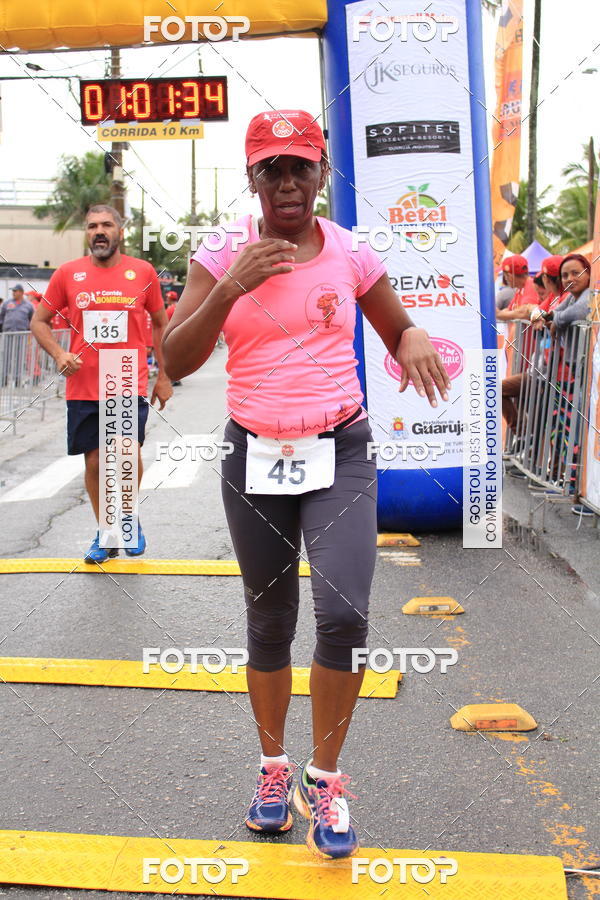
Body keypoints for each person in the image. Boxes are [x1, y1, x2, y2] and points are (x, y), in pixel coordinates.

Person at [162, 109, 450, 859]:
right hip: (254, 455)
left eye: (301, 168)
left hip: (339, 450)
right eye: (272, 169)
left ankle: (323, 777)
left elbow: (397, 331)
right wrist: (229, 287)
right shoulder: (221, 251)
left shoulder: (351, 252)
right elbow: (176, 357)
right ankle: (271, 770)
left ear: (322, 173)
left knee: (347, 614)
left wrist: (413, 333)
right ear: (252, 177)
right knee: (270, 621)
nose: (288, 183)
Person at [31, 205, 173, 562]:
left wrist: (165, 375)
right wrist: (60, 356)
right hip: (83, 383)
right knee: (94, 461)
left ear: (119, 232)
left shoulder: (141, 272)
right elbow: (39, 322)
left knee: (126, 452)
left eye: (107, 225)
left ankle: (128, 519)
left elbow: (160, 323)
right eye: (92, 225)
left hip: (125, 374)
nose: (99, 231)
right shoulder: (67, 274)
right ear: (86, 233)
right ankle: (106, 533)